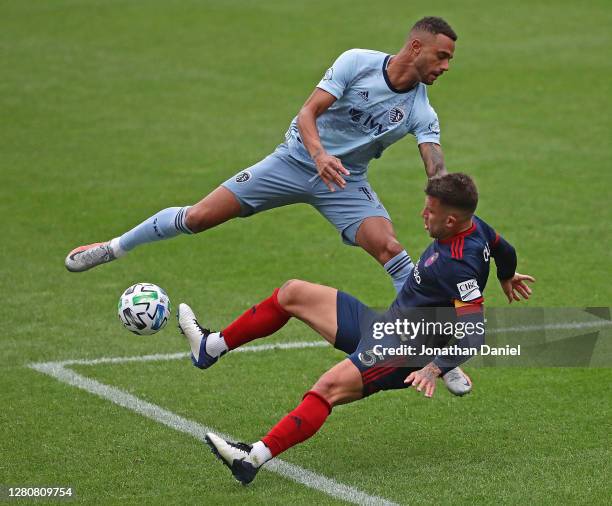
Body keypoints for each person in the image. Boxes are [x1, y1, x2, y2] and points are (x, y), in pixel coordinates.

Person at [64, 16, 478, 394]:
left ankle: (437, 346)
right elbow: (307, 113)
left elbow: (434, 164)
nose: (446, 66)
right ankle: (113, 247)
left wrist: (447, 197)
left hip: (345, 184)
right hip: (294, 161)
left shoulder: (420, 110)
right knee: (198, 217)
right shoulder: (357, 63)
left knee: (390, 248)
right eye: (442, 56)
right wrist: (318, 155)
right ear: (415, 48)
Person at [175, 173, 535, 485]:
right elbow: (504, 249)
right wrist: (506, 275)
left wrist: (433, 367)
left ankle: (251, 458)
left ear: (454, 220)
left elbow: (474, 334)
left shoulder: (460, 264)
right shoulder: (476, 225)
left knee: (327, 388)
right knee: (292, 293)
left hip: (402, 350)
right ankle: (211, 347)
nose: (423, 215)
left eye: (431, 212)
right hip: (385, 325)